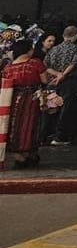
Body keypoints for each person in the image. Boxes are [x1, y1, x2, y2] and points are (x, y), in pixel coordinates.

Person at [4, 39, 47, 168]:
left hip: (13, 99)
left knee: (14, 125)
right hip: (31, 98)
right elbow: (44, 80)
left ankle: (18, 156)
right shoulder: (35, 63)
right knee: (30, 125)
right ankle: (31, 153)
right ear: (29, 50)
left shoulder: (8, 68)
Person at [42, 25, 77, 145]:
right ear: (76, 35)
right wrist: (63, 75)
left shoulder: (54, 49)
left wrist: (57, 75)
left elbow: (45, 66)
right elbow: (73, 64)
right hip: (68, 82)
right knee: (65, 109)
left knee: (50, 108)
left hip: (52, 82)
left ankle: (44, 136)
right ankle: (59, 137)